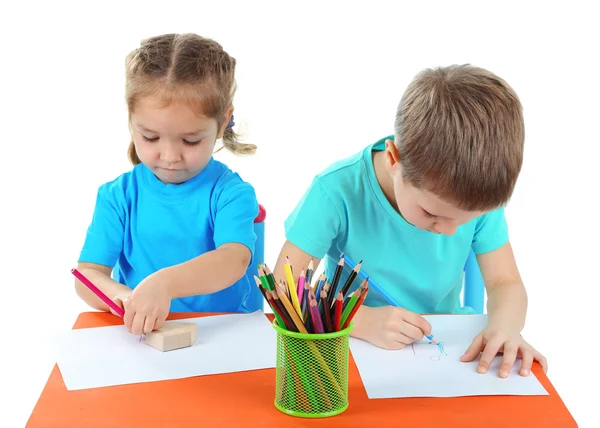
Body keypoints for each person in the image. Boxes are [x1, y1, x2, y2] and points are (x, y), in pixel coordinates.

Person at [274, 64, 547, 378]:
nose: (447, 231)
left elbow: (505, 283)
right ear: (393, 159)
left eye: (466, 220)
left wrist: (505, 326)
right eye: (432, 214)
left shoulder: (475, 195)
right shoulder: (335, 192)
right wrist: (360, 321)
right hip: (348, 350)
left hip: (446, 348)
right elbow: (283, 289)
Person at [75, 33, 260, 336]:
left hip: (220, 335)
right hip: (145, 337)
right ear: (131, 121)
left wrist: (164, 284)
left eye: (190, 140)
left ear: (223, 121)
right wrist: (122, 297)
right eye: (150, 137)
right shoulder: (117, 196)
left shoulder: (231, 193)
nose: (170, 156)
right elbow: (89, 274)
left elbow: (233, 260)